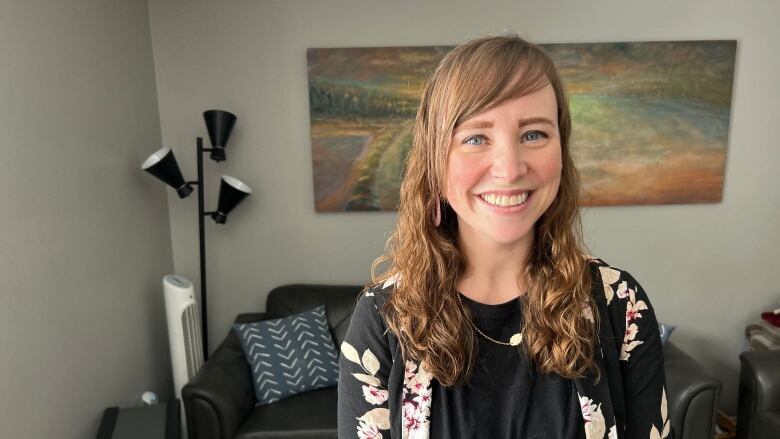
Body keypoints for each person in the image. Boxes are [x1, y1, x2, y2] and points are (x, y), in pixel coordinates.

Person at [337, 35, 670, 439]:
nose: (510, 168)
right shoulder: (382, 319)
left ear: (561, 149)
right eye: (475, 138)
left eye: (534, 135)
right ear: (435, 160)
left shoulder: (621, 305)